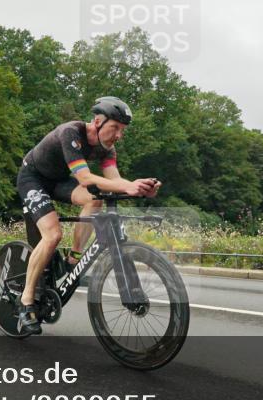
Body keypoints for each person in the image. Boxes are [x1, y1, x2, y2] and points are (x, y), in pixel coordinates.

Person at [15, 96, 160, 334]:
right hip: (33, 178)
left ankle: (73, 259)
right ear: (97, 121)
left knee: (97, 198)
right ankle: (26, 301)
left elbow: (115, 181)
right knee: (52, 236)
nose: (118, 136)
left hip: (59, 181)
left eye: (122, 130)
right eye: (115, 128)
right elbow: (84, 178)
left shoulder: (107, 149)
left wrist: (139, 186)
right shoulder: (71, 133)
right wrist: (127, 186)